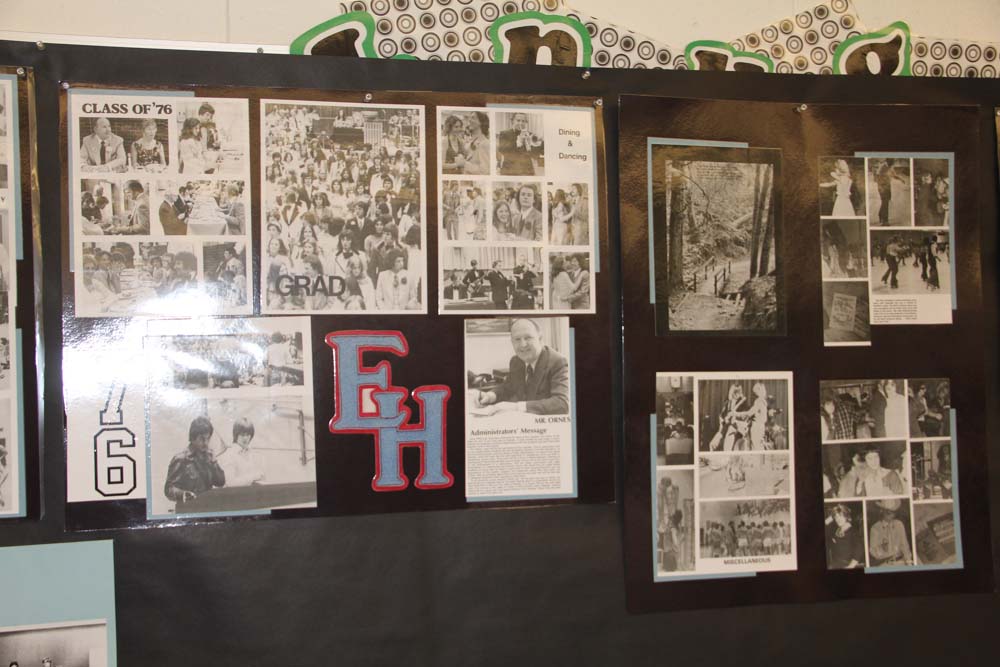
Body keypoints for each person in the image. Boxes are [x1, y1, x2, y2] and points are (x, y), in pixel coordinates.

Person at [473, 318, 570, 415]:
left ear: (540, 338)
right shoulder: (516, 361)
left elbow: (562, 404)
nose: (523, 345)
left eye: (528, 338)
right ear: (512, 342)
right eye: (517, 339)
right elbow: (508, 387)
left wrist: (516, 407)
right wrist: (490, 396)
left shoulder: (558, 362)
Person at [163, 416, 226, 503]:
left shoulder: (209, 457)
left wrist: (214, 462)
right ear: (193, 438)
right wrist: (183, 494)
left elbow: (220, 482)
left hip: (208, 506)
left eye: (208, 438)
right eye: (202, 439)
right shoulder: (181, 459)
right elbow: (169, 489)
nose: (206, 443)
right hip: (189, 507)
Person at [216, 418, 265, 487]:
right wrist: (253, 477)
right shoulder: (229, 455)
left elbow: (261, 477)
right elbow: (230, 483)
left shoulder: (253, 454)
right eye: (242, 435)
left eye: (248, 435)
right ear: (236, 435)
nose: (245, 438)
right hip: (235, 493)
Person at [869, 499, 913, 566]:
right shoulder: (875, 528)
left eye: (893, 512)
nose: (891, 515)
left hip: (900, 562)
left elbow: (905, 545)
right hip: (885, 564)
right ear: (882, 511)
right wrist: (882, 549)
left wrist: (909, 562)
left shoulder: (899, 524)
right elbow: (873, 552)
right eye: (888, 512)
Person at [825, 504, 864, 568]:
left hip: (847, 565)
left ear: (846, 516)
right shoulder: (836, 530)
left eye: (841, 516)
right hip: (835, 564)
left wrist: (850, 566)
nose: (838, 519)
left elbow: (860, 549)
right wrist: (831, 517)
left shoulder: (852, 531)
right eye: (836, 517)